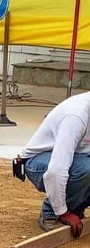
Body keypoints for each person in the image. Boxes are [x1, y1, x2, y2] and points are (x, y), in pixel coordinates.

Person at [14, 91, 90, 237]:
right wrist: (63, 212)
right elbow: (56, 170)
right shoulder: (76, 116)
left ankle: (76, 208)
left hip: (74, 159)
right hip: (38, 162)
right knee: (86, 169)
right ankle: (51, 213)